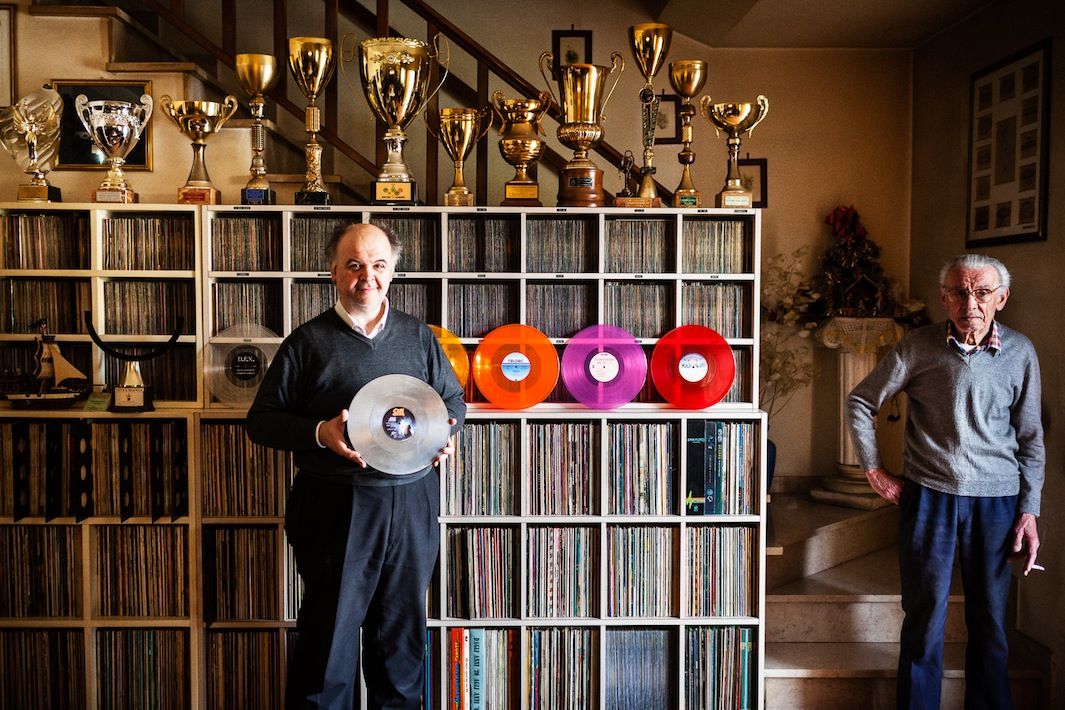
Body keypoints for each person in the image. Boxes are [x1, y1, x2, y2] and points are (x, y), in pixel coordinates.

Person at [246, 222, 466, 709]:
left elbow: (453, 400)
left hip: (411, 503)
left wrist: (444, 432)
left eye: (379, 265)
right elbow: (261, 421)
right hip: (334, 505)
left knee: (401, 639)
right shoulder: (306, 343)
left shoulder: (419, 337)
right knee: (329, 643)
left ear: (393, 271)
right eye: (355, 265)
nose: (368, 276)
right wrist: (319, 433)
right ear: (333, 272)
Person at [847, 253, 1043, 710]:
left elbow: (1031, 437)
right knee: (924, 621)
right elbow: (861, 402)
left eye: (981, 292)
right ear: (944, 298)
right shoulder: (916, 347)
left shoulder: (1021, 353)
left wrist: (1029, 510)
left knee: (992, 624)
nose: (969, 302)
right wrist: (873, 470)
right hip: (929, 498)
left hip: (998, 503)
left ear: (1001, 298)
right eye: (958, 291)